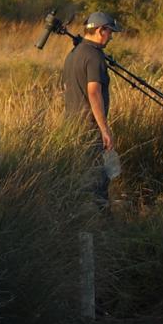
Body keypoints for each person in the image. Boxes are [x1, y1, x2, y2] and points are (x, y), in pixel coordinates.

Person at [61, 10, 124, 207]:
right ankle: (101, 225)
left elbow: (65, 87)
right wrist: (104, 130)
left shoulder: (73, 54)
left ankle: (80, 217)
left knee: (77, 175)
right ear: (100, 30)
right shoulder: (95, 56)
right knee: (98, 179)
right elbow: (94, 93)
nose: (111, 37)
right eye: (110, 32)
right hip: (89, 127)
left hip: (70, 126)